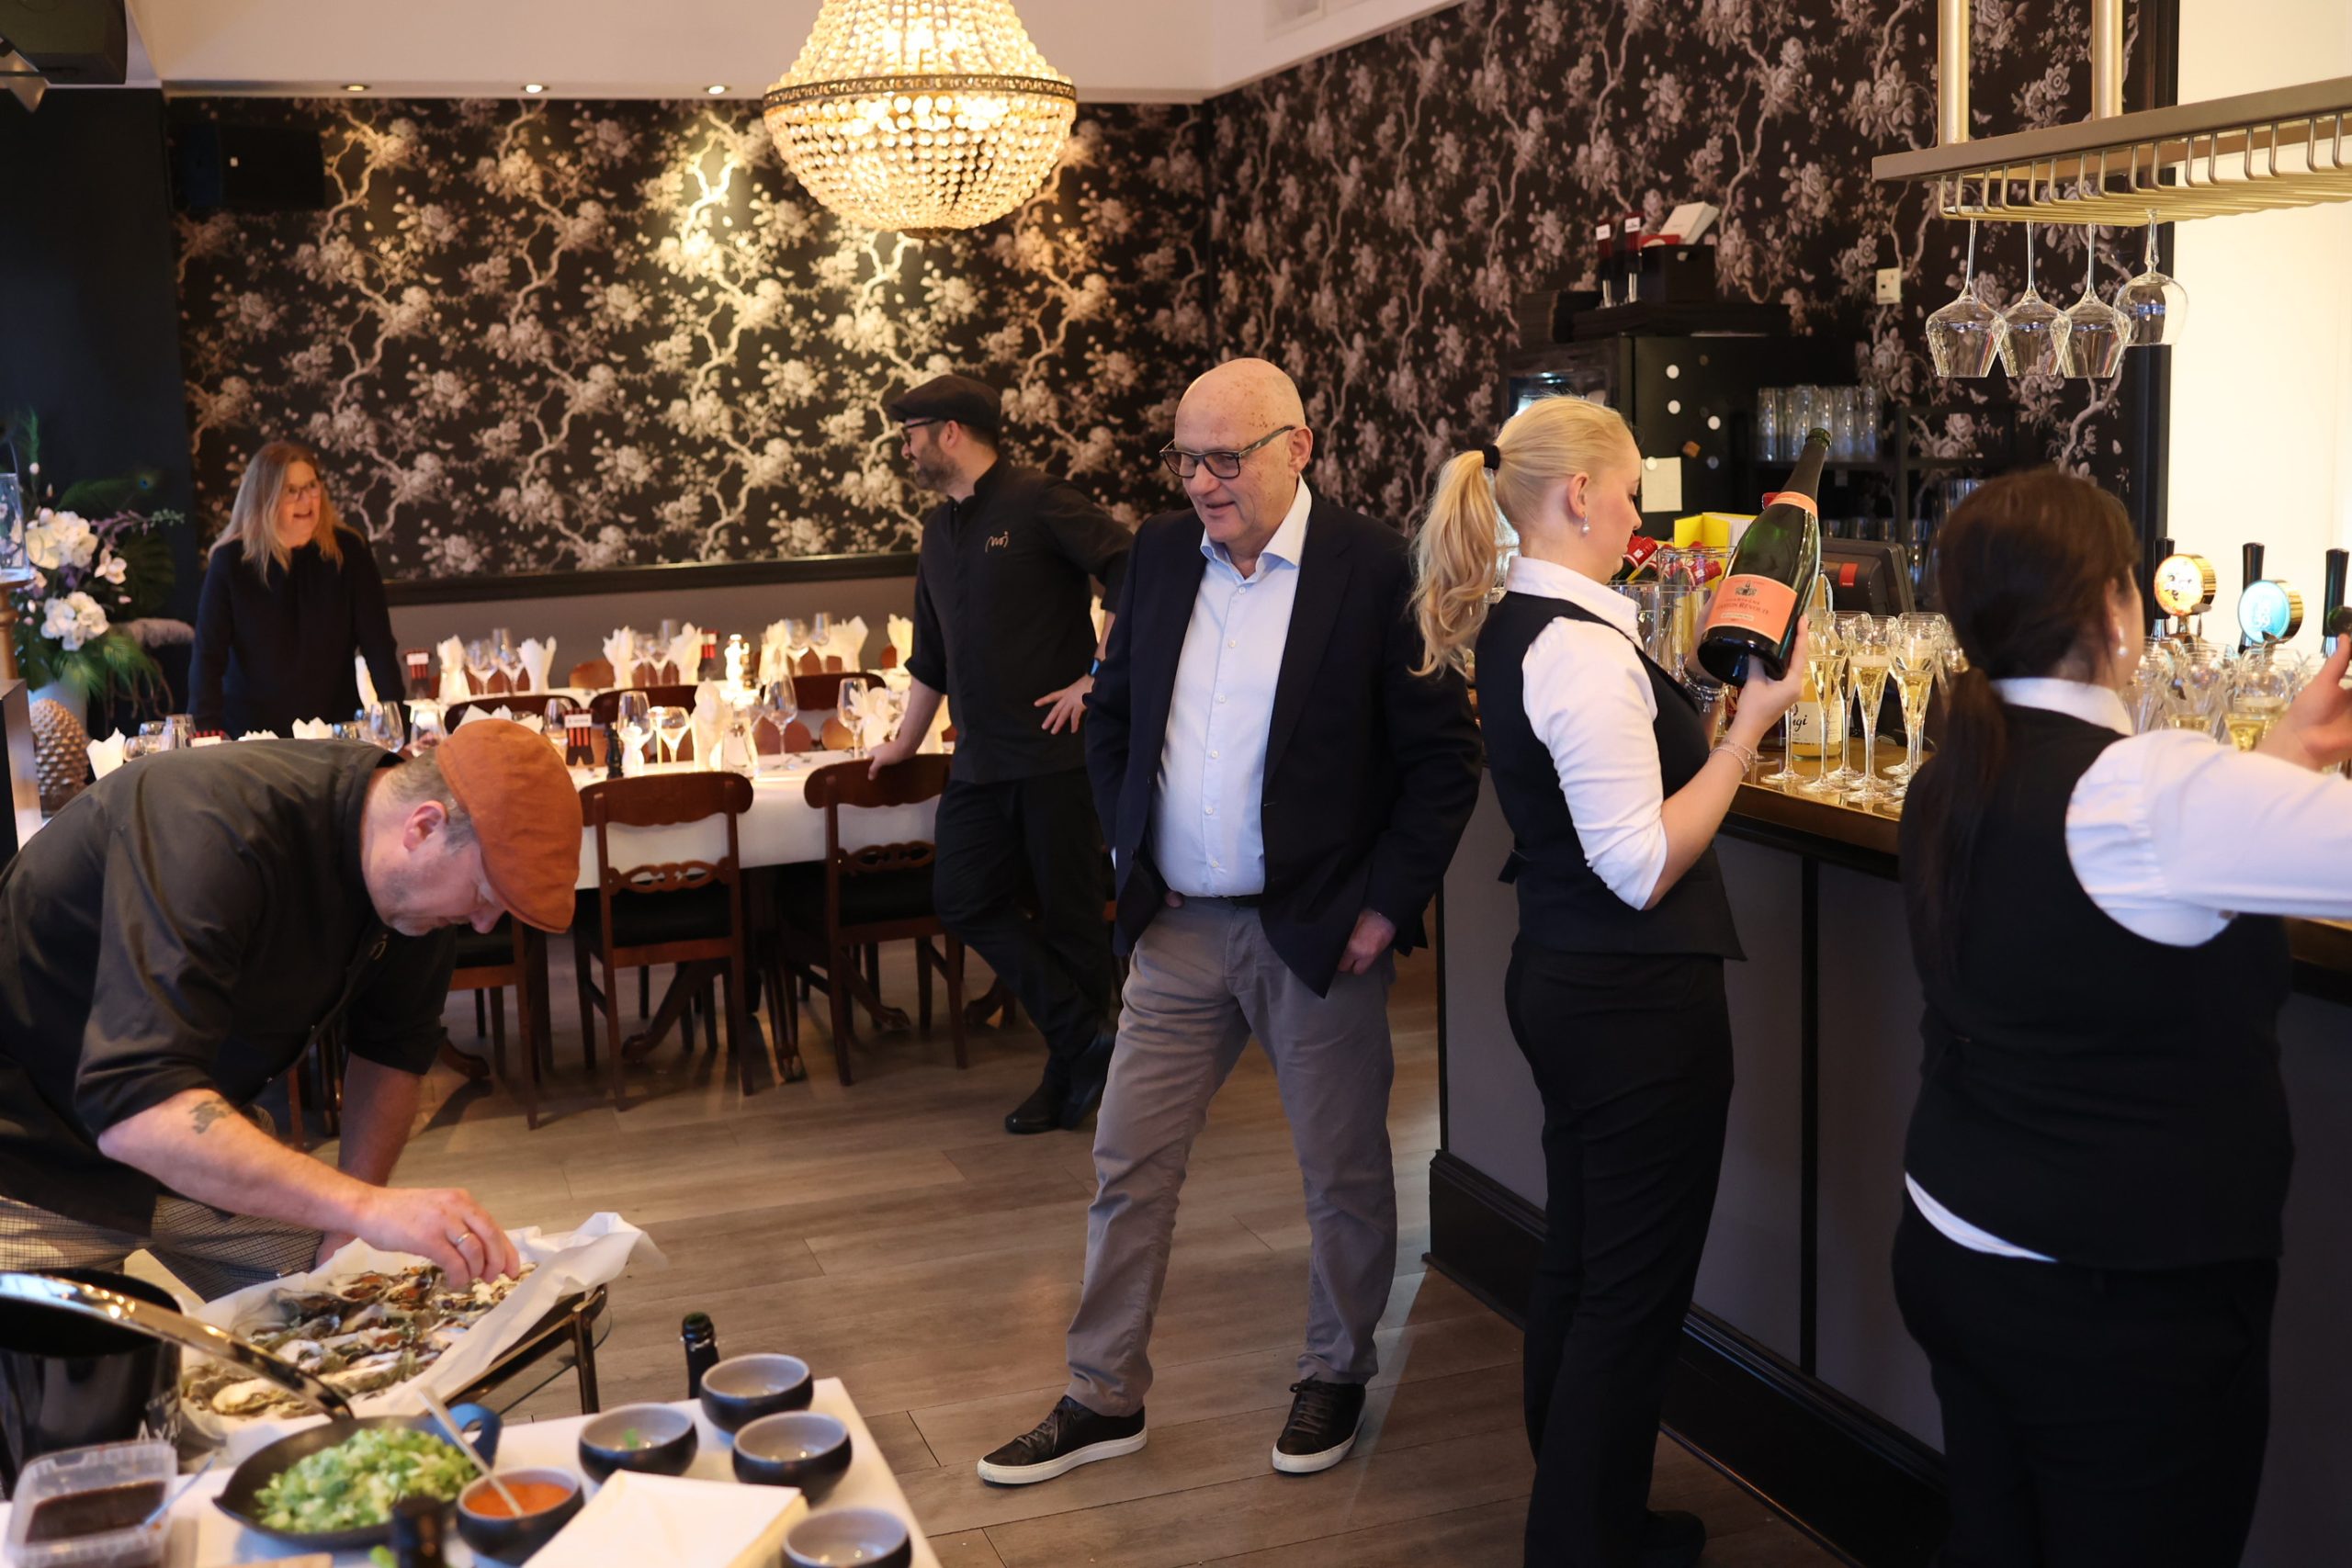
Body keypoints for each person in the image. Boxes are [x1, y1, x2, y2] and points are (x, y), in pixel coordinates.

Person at [976, 357, 1480, 1487]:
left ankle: (1334, 1372)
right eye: (1186, 459)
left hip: (1316, 932)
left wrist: (1383, 908)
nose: (1202, 482)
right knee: (1127, 1163)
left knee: (1342, 1173)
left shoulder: (1374, 567)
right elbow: (1113, 715)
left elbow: (1442, 764)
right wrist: (1131, 849)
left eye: (1224, 458)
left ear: (1297, 448)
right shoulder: (1160, 556)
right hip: (1176, 930)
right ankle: (1102, 1395)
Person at [1893, 471, 2352, 1567]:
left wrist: (2280, 766)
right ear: (2114, 606)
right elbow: (2149, 840)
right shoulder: (2148, 791)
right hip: (2111, 1307)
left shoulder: (1954, 764)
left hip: (1955, 1247)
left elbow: (2128, 873)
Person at [1410, 396, 1805, 1568]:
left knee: (1586, 1264)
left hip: (1574, 986)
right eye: (1630, 491)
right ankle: (1583, 1540)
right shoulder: (1577, 647)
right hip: (1631, 1007)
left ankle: (1594, 1519)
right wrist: (1741, 735)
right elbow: (1637, 865)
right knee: (1629, 1291)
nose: (1639, 514)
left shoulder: (1532, 621)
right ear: (1577, 493)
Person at [0, 719, 584, 1300]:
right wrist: (367, 1207)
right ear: (424, 827)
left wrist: (347, 1231)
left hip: (197, 1138)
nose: (483, 924)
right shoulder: (212, 828)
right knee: (68, 1363)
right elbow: (137, 1106)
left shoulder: (413, 901)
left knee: (376, 1312)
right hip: (31, 1157)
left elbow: (394, 1049)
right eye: (483, 894)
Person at [865, 374, 1133, 1135]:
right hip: (979, 762)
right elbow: (931, 656)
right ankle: (1086, 1039)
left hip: (1056, 758)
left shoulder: (1039, 499)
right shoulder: (937, 530)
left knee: (1073, 924)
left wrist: (1100, 676)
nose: (905, 448)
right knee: (961, 896)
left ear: (950, 431)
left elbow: (1130, 565)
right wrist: (903, 742)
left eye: (911, 432)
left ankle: (1072, 1078)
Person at [191, 440, 405, 736]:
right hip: (253, 734)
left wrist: (397, 721)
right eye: (291, 490)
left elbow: (378, 645)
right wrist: (204, 729)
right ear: (265, 498)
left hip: (335, 730)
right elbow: (207, 656)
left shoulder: (349, 551)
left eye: (311, 486)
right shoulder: (230, 562)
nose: (306, 500)